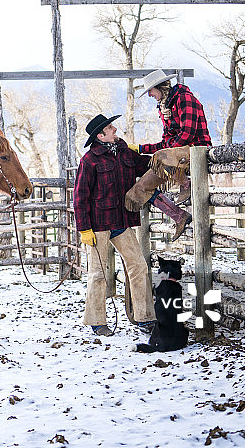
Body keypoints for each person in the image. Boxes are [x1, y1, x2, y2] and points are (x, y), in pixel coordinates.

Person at [74, 114, 157, 337]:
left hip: (122, 221)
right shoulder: (89, 161)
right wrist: (84, 229)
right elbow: (80, 197)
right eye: (111, 128)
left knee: (138, 266)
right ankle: (97, 321)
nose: (115, 129)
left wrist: (163, 157)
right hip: (98, 225)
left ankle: (144, 317)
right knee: (98, 274)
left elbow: (146, 165)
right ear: (100, 135)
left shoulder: (124, 151)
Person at [126, 70, 212, 241]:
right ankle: (180, 216)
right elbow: (166, 142)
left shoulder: (184, 98)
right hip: (174, 155)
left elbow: (188, 132)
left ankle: (185, 184)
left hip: (196, 149)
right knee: (137, 191)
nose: (150, 95)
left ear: (160, 87)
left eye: (151, 90)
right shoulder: (164, 107)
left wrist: (164, 153)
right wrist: (141, 148)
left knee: (161, 157)